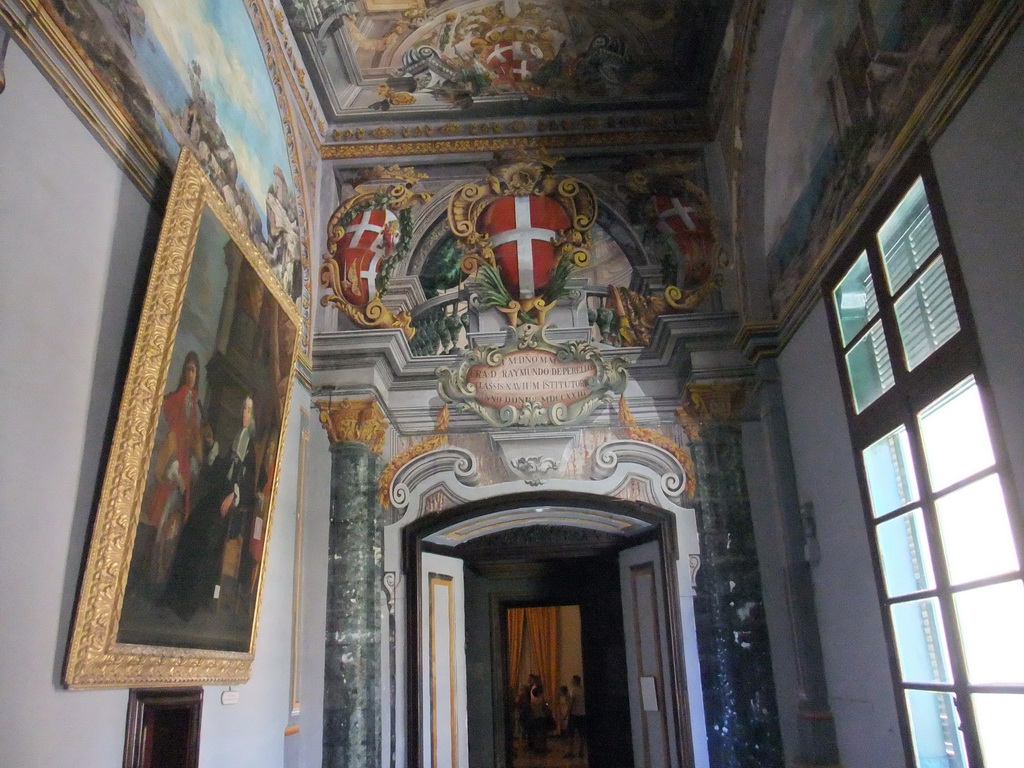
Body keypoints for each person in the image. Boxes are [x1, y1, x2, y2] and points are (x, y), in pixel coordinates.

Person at [163, 395, 257, 621]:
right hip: (216, 497)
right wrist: (212, 446)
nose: (244, 412)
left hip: (230, 510)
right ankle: (173, 594)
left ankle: (191, 602)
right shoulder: (236, 438)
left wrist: (233, 496)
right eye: (243, 407)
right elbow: (219, 469)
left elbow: (249, 484)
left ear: (252, 416)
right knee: (191, 527)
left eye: (248, 409)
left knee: (206, 539)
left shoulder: (251, 448)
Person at [130, 352, 203, 593]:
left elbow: (195, 444)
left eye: (195, 371)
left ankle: (159, 584)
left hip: (185, 478)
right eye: (189, 370)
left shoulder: (196, 406)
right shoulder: (174, 400)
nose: (191, 375)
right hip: (171, 474)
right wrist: (175, 472)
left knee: (173, 532)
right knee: (156, 525)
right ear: (184, 371)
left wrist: (190, 470)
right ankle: (143, 581)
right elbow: (167, 438)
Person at [527, 673, 551, 754]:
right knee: (542, 732)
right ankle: (542, 748)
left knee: (537, 733)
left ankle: (538, 748)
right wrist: (547, 706)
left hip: (535, 714)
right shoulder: (538, 693)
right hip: (541, 715)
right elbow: (544, 704)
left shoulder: (532, 691)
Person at [566, 674, 587, 759]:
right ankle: (581, 751)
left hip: (574, 715)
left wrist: (567, 714)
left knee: (571, 734)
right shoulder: (583, 690)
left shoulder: (573, 690)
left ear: (574, 681)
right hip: (582, 714)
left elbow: (571, 703)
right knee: (582, 734)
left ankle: (571, 751)